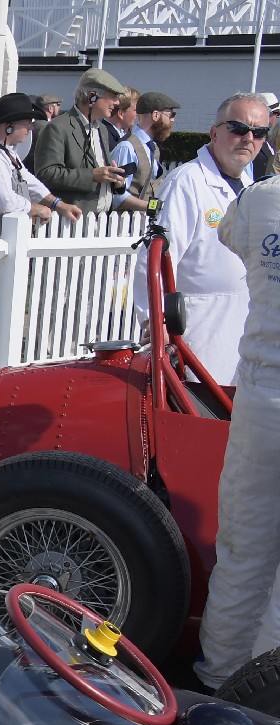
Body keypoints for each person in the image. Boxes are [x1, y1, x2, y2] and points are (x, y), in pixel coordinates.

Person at [193, 175, 280, 691]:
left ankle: (219, 674)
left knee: (243, 545)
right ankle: (269, 697)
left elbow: (229, 235)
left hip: (260, 396)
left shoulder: (259, 198)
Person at [133, 92, 269, 386]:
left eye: (259, 132)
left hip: (242, 328)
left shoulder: (251, 186)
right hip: (198, 330)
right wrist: (154, 320)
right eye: (239, 128)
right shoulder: (186, 183)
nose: (249, 138)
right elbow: (154, 260)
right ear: (215, 132)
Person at [0, 92, 81, 223]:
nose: (31, 127)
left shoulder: (5, 151)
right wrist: (37, 209)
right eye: (27, 123)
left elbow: (28, 180)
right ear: (9, 127)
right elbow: (5, 202)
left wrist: (58, 204)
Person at [32, 68, 128, 214]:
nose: (117, 102)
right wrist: (92, 176)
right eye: (113, 96)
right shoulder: (57, 127)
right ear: (92, 97)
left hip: (101, 220)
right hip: (71, 220)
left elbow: (100, 173)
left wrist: (117, 181)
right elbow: (46, 173)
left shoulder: (101, 129)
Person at [110, 91, 180, 213]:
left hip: (145, 224)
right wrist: (155, 207)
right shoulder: (127, 147)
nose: (173, 120)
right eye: (171, 115)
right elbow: (117, 196)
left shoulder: (153, 147)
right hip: (126, 225)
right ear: (156, 115)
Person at [103, 86, 139, 157]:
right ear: (121, 113)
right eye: (135, 110)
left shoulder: (126, 134)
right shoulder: (104, 136)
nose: (137, 114)